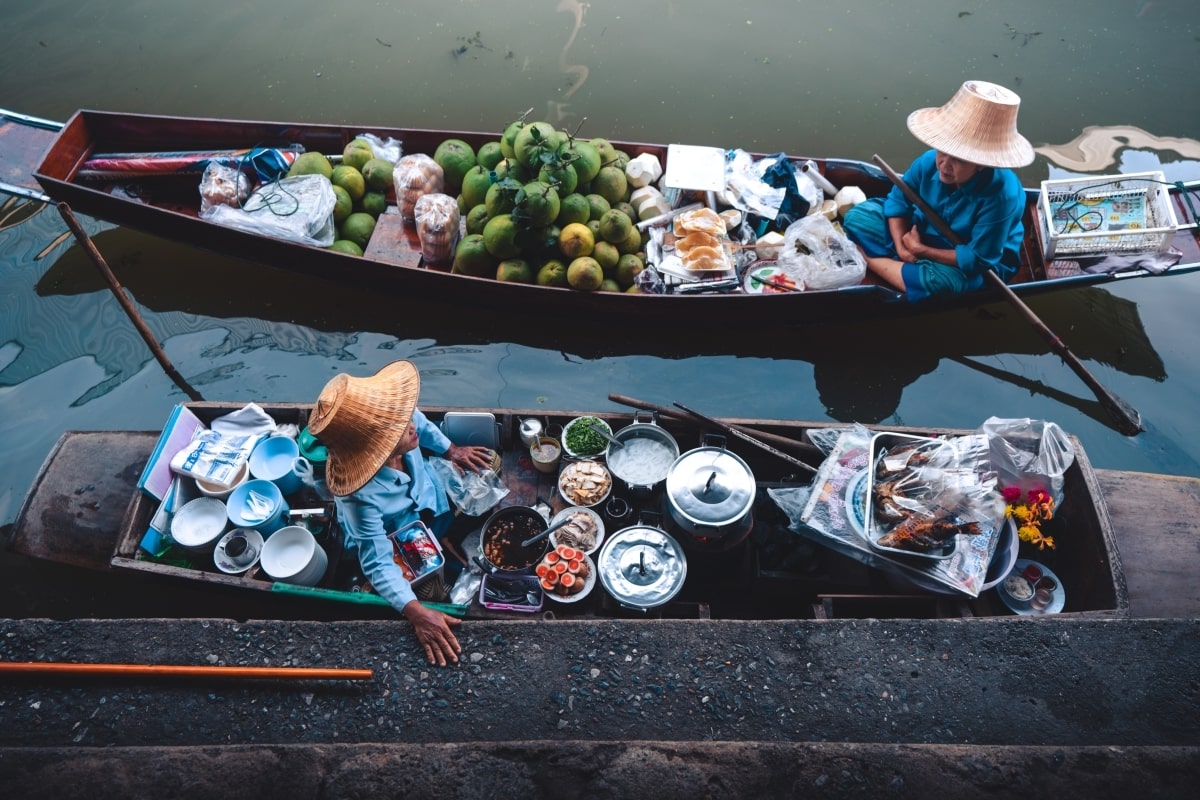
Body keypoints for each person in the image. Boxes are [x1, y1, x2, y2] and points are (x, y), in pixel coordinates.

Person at [308, 360, 494, 666]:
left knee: (490, 465)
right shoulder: (359, 497)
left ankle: (445, 536)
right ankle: (442, 547)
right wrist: (417, 615)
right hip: (402, 536)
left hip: (431, 497)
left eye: (406, 419)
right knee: (435, 594)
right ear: (378, 451)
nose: (411, 425)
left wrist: (452, 451)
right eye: (399, 431)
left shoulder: (401, 420)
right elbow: (378, 562)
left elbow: (420, 425)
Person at [843, 80, 1035, 301]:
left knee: (941, 284)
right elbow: (898, 201)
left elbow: (979, 259)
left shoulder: (1002, 196)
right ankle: (906, 268)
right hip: (922, 231)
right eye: (942, 152)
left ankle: (867, 257)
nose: (944, 164)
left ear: (982, 163)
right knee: (858, 217)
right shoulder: (928, 163)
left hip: (970, 256)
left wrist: (922, 251)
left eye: (958, 160)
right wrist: (903, 246)